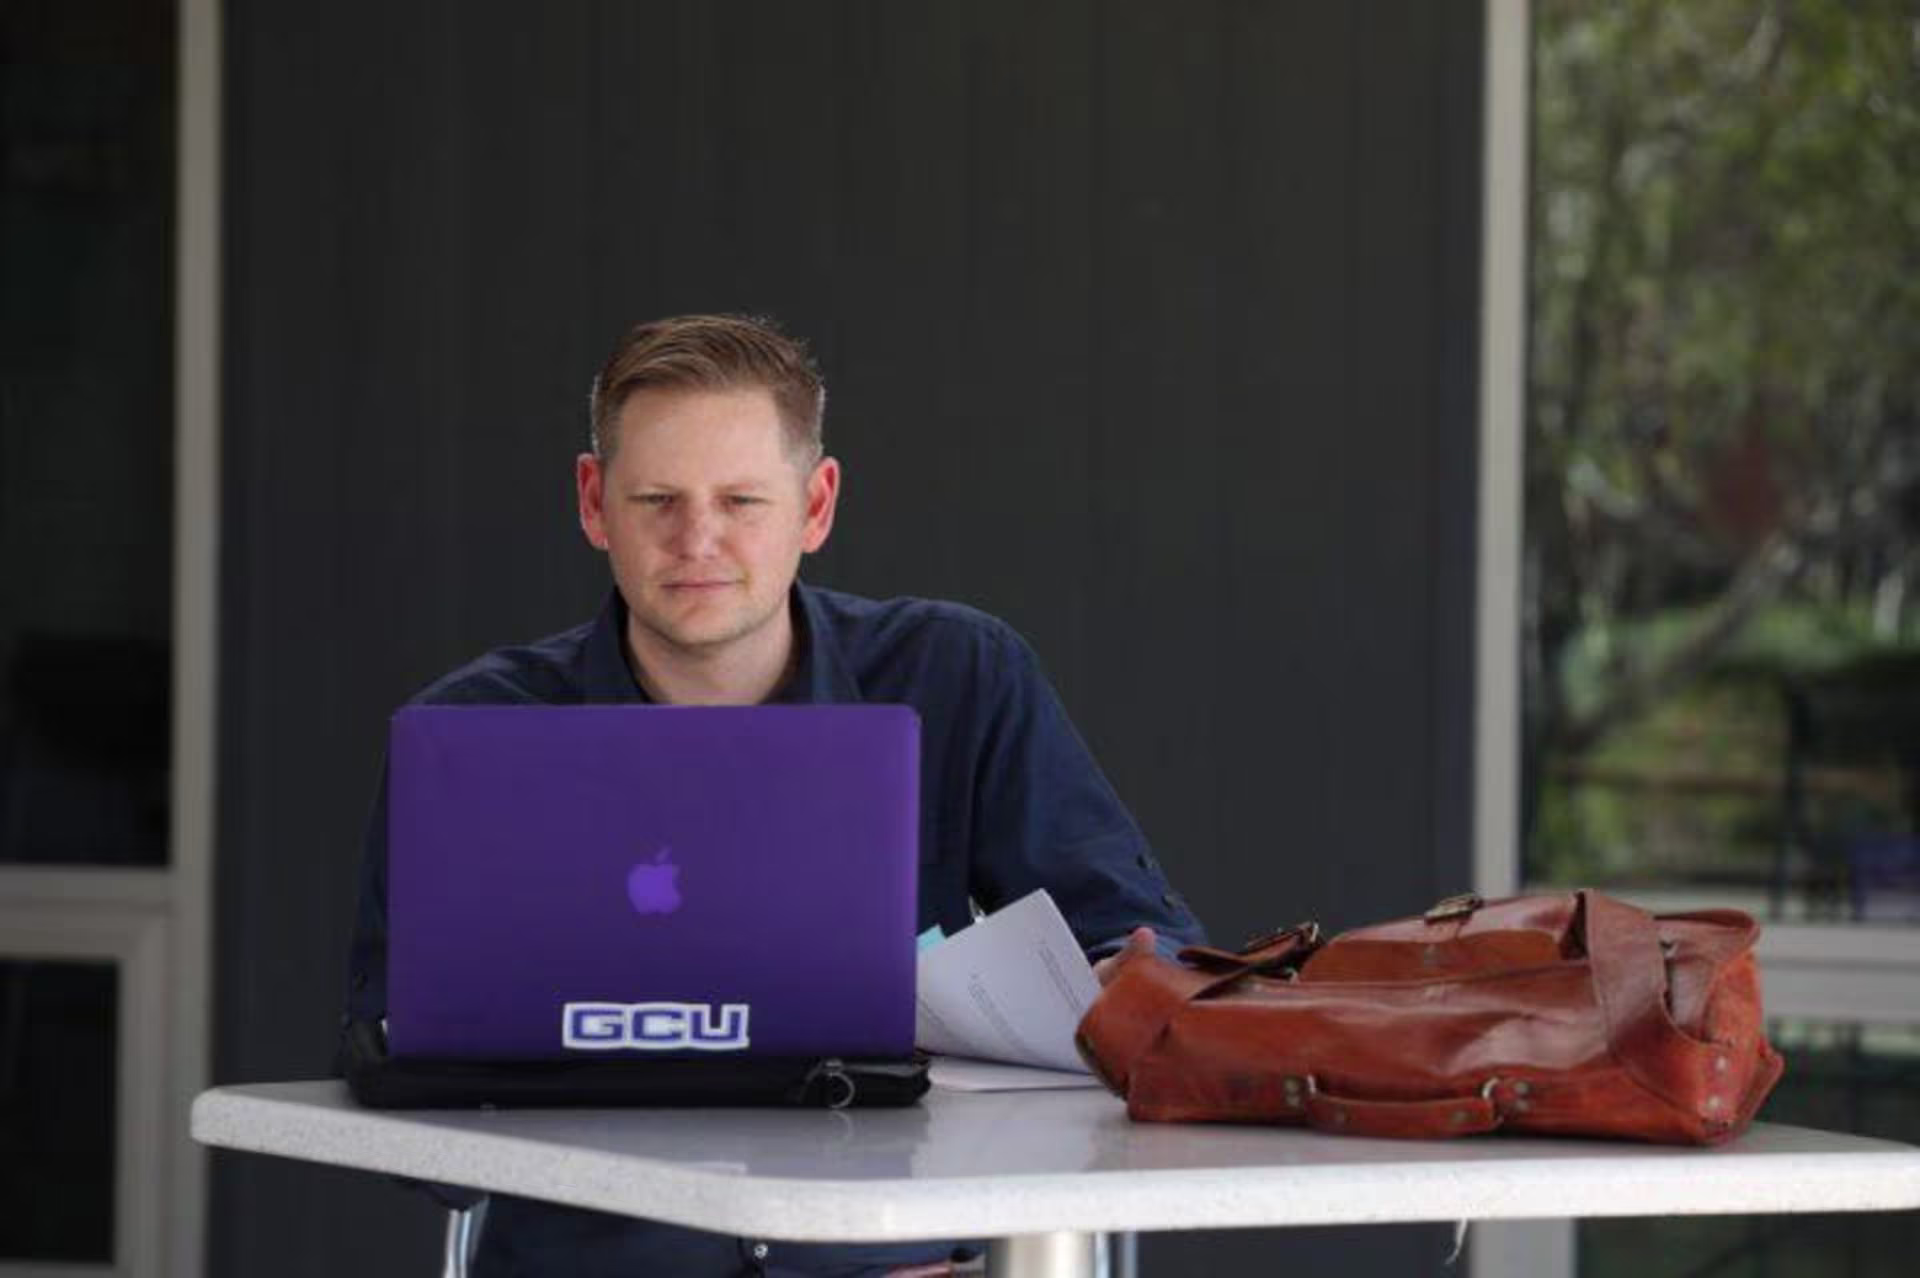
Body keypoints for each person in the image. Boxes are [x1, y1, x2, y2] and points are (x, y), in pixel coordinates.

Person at [341, 313, 1207, 1277]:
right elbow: (391, 1065)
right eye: (656, 498)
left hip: (887, 1259)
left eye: (742, 500)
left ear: (817, 504)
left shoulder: (959, 677)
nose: (696, 540)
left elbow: (1142, 945)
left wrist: (1114, 990)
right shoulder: (475, 737)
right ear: (594, 504)